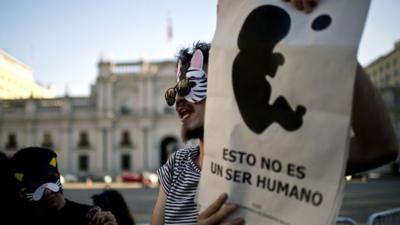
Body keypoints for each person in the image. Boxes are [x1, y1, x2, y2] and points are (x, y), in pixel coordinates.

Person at [151, 1, 399, 225]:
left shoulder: (275, 159)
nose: (180, 97)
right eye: (175, 90)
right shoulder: (177, 165)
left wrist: (331, 44)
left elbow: (379, 146)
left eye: (192, 85)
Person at [9, 146, 118, 225]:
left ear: (59, 176)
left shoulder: (90, 217)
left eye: (50, 180)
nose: (47, 192)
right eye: (35, 186)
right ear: (22, 192)